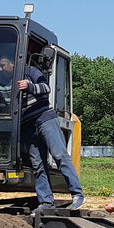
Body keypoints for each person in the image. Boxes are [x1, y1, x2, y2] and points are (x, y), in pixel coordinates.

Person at [13, 48, 84, 210]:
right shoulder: (6, 82)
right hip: (29, 127)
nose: (1, 69)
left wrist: (30, 86)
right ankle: (46, 202)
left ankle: (77, 194)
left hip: (45, 119)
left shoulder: (30, 71)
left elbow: (46, 87)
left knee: (59, 155)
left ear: (11, 63)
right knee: (38, 165)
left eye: (3, 65)